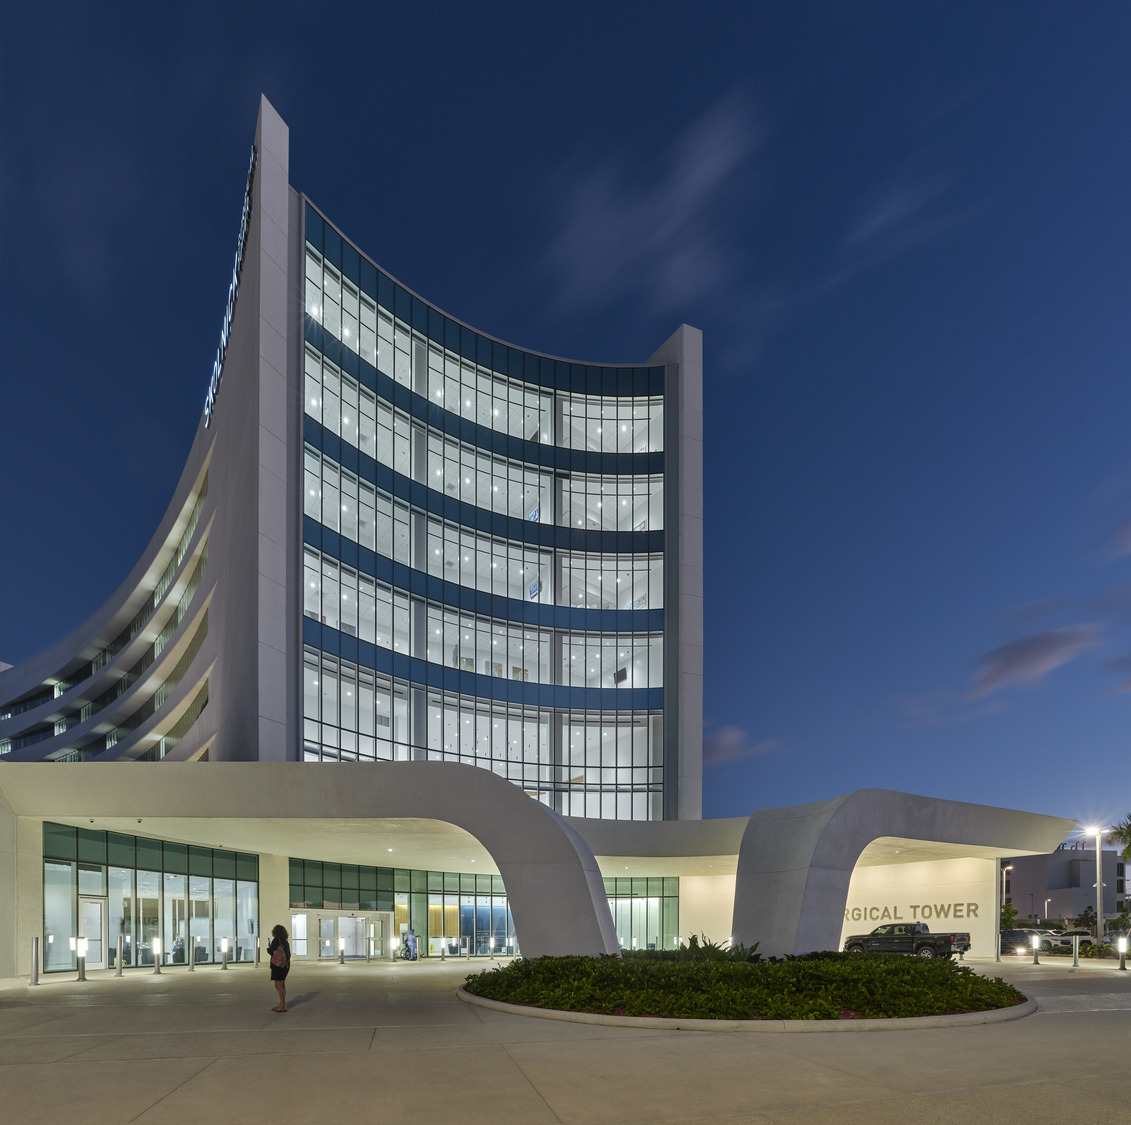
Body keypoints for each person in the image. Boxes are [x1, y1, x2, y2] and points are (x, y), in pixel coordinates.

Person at [267, 923, 290, 1012]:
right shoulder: (285, 941)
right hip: (285, 965)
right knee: (282, 985)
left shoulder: (276, 940)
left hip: (278, 965)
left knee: (278, 985)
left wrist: (269, 948)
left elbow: (271, 951)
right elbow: (288, 954)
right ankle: (280, 1004)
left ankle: (283, 1006)